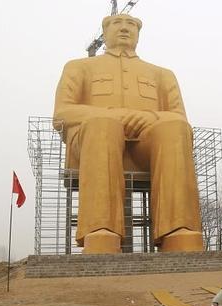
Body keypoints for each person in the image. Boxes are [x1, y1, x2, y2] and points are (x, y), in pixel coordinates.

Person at [54, 14, 203, 254]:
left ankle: (177, 230)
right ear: (104, 32)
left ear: (139, 33)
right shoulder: (79, 67)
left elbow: (180, 117)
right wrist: (114, 115)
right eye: (117, 23)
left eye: (131, 25)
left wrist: (153, 117)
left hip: (145, 146)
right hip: (92, 143)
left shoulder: (162, 74)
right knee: (103, 125)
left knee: (174, 129)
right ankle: (100, 229)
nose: (124, 28)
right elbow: (62, 113)